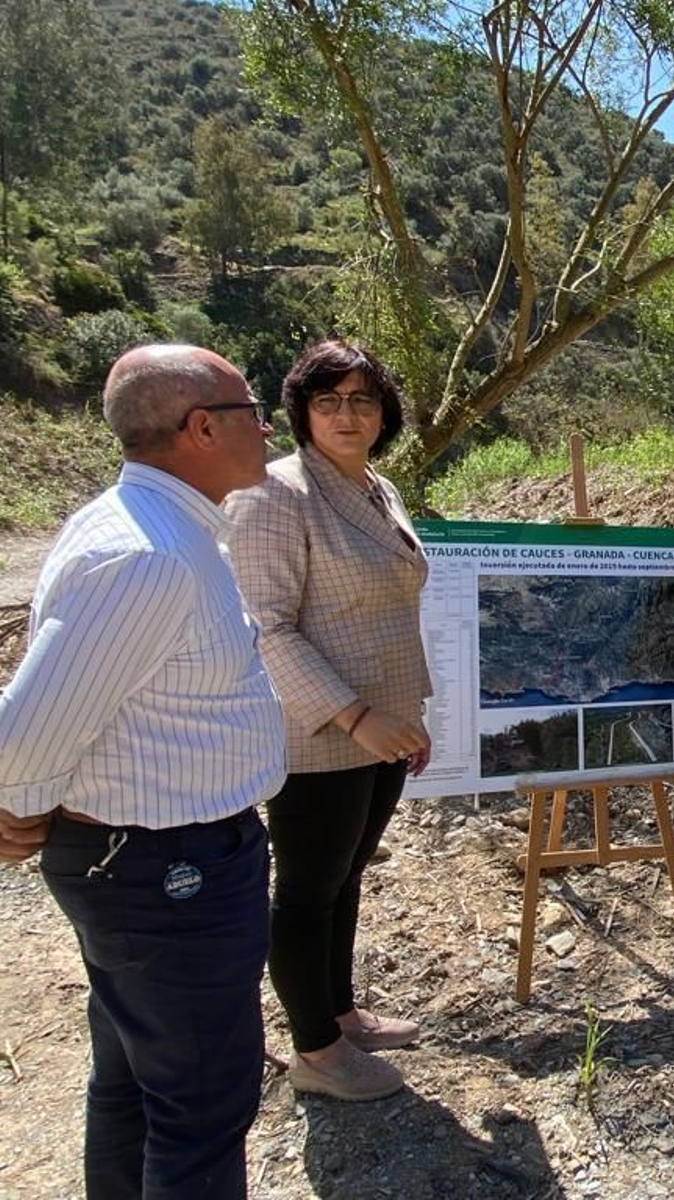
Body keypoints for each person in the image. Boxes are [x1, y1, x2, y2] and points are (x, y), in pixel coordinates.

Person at [0, 344, 286, 1197]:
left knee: (138, 1082)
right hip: (166, 873)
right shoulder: (151, 556)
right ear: (201, 428)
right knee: (201, 1104)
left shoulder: (149, 526)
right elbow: (29, 728)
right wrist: (18, 804)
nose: (266, 426)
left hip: (156, 865)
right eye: (251, 410)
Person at [225, 339, 432, 1103]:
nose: (348, 415)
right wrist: (355, 717)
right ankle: (314, 1051)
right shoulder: (275, 492)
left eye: (363, 400)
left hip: (384, 725)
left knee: (346, 877)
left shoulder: (378, 487)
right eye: (329, 400)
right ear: (302, 412)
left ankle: (340, 1013)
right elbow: (266, 626)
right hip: (321, 730)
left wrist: (403, 717)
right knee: (307, 890)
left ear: (385, 415)